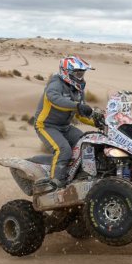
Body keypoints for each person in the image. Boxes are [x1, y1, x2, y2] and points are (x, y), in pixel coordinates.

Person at [34, 56, 95, 188]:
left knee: (87, 143)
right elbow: (55, 99)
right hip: (46, 126)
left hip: (65, 126)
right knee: (63, 150)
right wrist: (77, 106)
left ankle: (80, 175)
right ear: (67, 72)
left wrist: (97, 120)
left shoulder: (78, 90)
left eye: (82, 73)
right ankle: (54, 183)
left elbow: (81, 114)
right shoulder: (55, 84)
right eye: (78, 73)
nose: (81, 77)